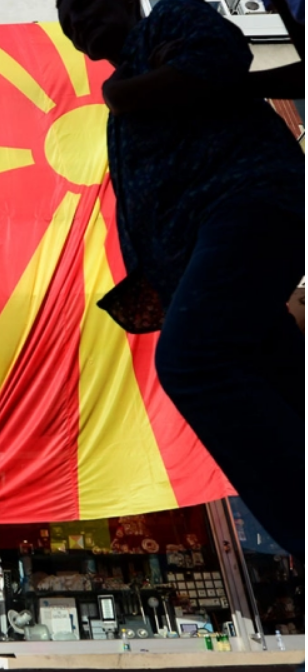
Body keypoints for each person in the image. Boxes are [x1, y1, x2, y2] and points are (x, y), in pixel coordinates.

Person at [57, 0, 304, 562]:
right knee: (282, 383)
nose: (80, 21)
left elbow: (220, 55)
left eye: (87, 3)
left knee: (195, 361)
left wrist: (127, 95)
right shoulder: (128, 86)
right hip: (209, 246)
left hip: (247, 202)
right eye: (69, 20)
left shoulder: (166, 23)